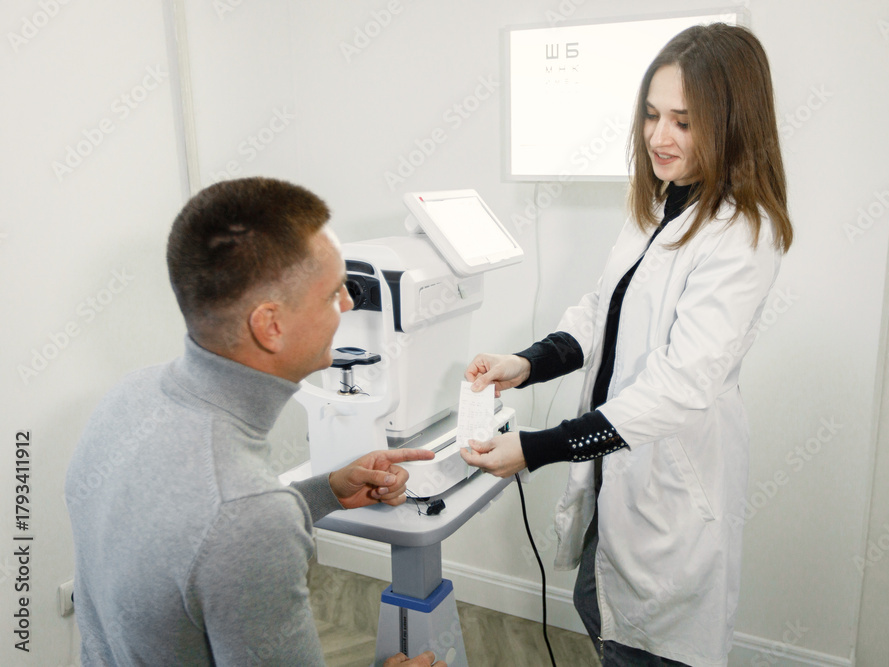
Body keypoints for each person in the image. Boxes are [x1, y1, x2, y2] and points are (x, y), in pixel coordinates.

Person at [461, 24, 793, 667]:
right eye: (651, 115)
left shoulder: (741, 235)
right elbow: (601, 310)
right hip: (616, 466)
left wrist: (536, 448)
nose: (659, 137)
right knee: (598, 604)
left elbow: (680, 385)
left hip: (670, 479)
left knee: (647, 644)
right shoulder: (660, 202)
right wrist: (525, 365)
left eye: (684, 122)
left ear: (731, 124)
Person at [65, 177, 443, 666]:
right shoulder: (249, 514)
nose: (348, 305)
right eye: (333, 294)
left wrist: (324, 491)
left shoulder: (126, 398)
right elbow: (235, 521)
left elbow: (193, 540)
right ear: (270, 325)